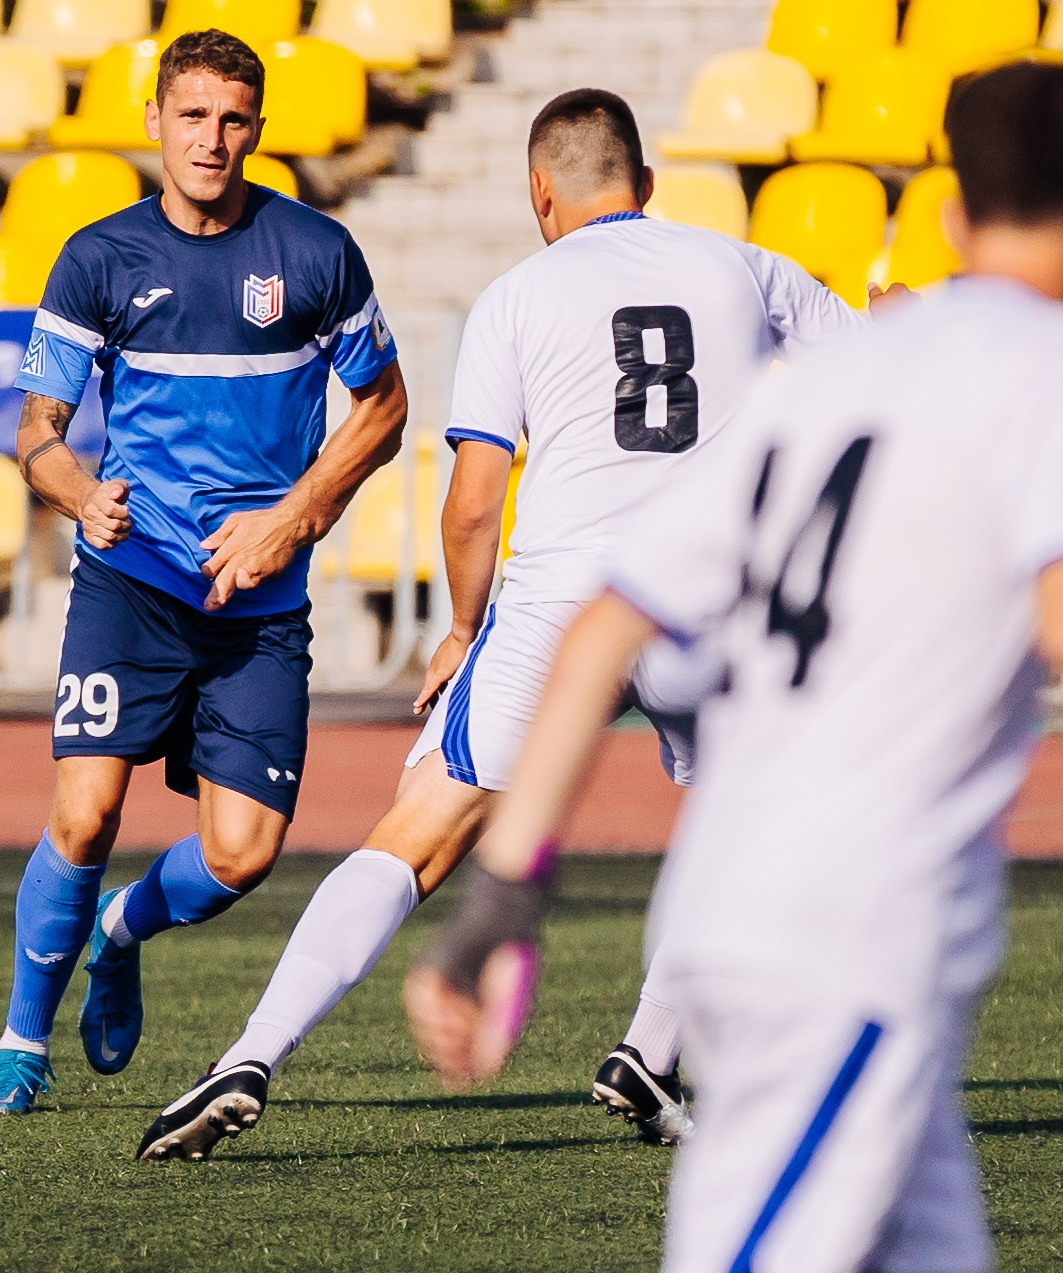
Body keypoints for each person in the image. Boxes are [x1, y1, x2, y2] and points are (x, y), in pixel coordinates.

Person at [403, 62, 1063, 1273]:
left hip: (758, 907)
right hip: (845, 937)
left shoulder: (834, 380)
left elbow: (600, 632)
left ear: (955, 219)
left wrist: (501, 898)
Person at [133, 87, 866, 1161]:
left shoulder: (518, 295)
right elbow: (866, 362)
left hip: (564, 606)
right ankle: (650, 1051)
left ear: (540, 193)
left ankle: (249, 1055)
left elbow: (476, 497)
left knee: (416, 839)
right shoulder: (742, 266)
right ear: (646, 185)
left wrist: (462, 629)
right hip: (713, 600)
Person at [0, 28, 409, 1113]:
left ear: (258, 129)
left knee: (242, 857)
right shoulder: (98, 258)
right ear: (155, 120)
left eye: (235, 119)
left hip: (260, 606)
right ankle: (23, 1045)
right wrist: (76, 489)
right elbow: (37, 430)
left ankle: (119, 931)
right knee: (82, 815)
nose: (213, 139)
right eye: (194, 115)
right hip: (133, 581)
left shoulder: (315, 254)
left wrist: (289, 519)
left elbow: (385, 409)